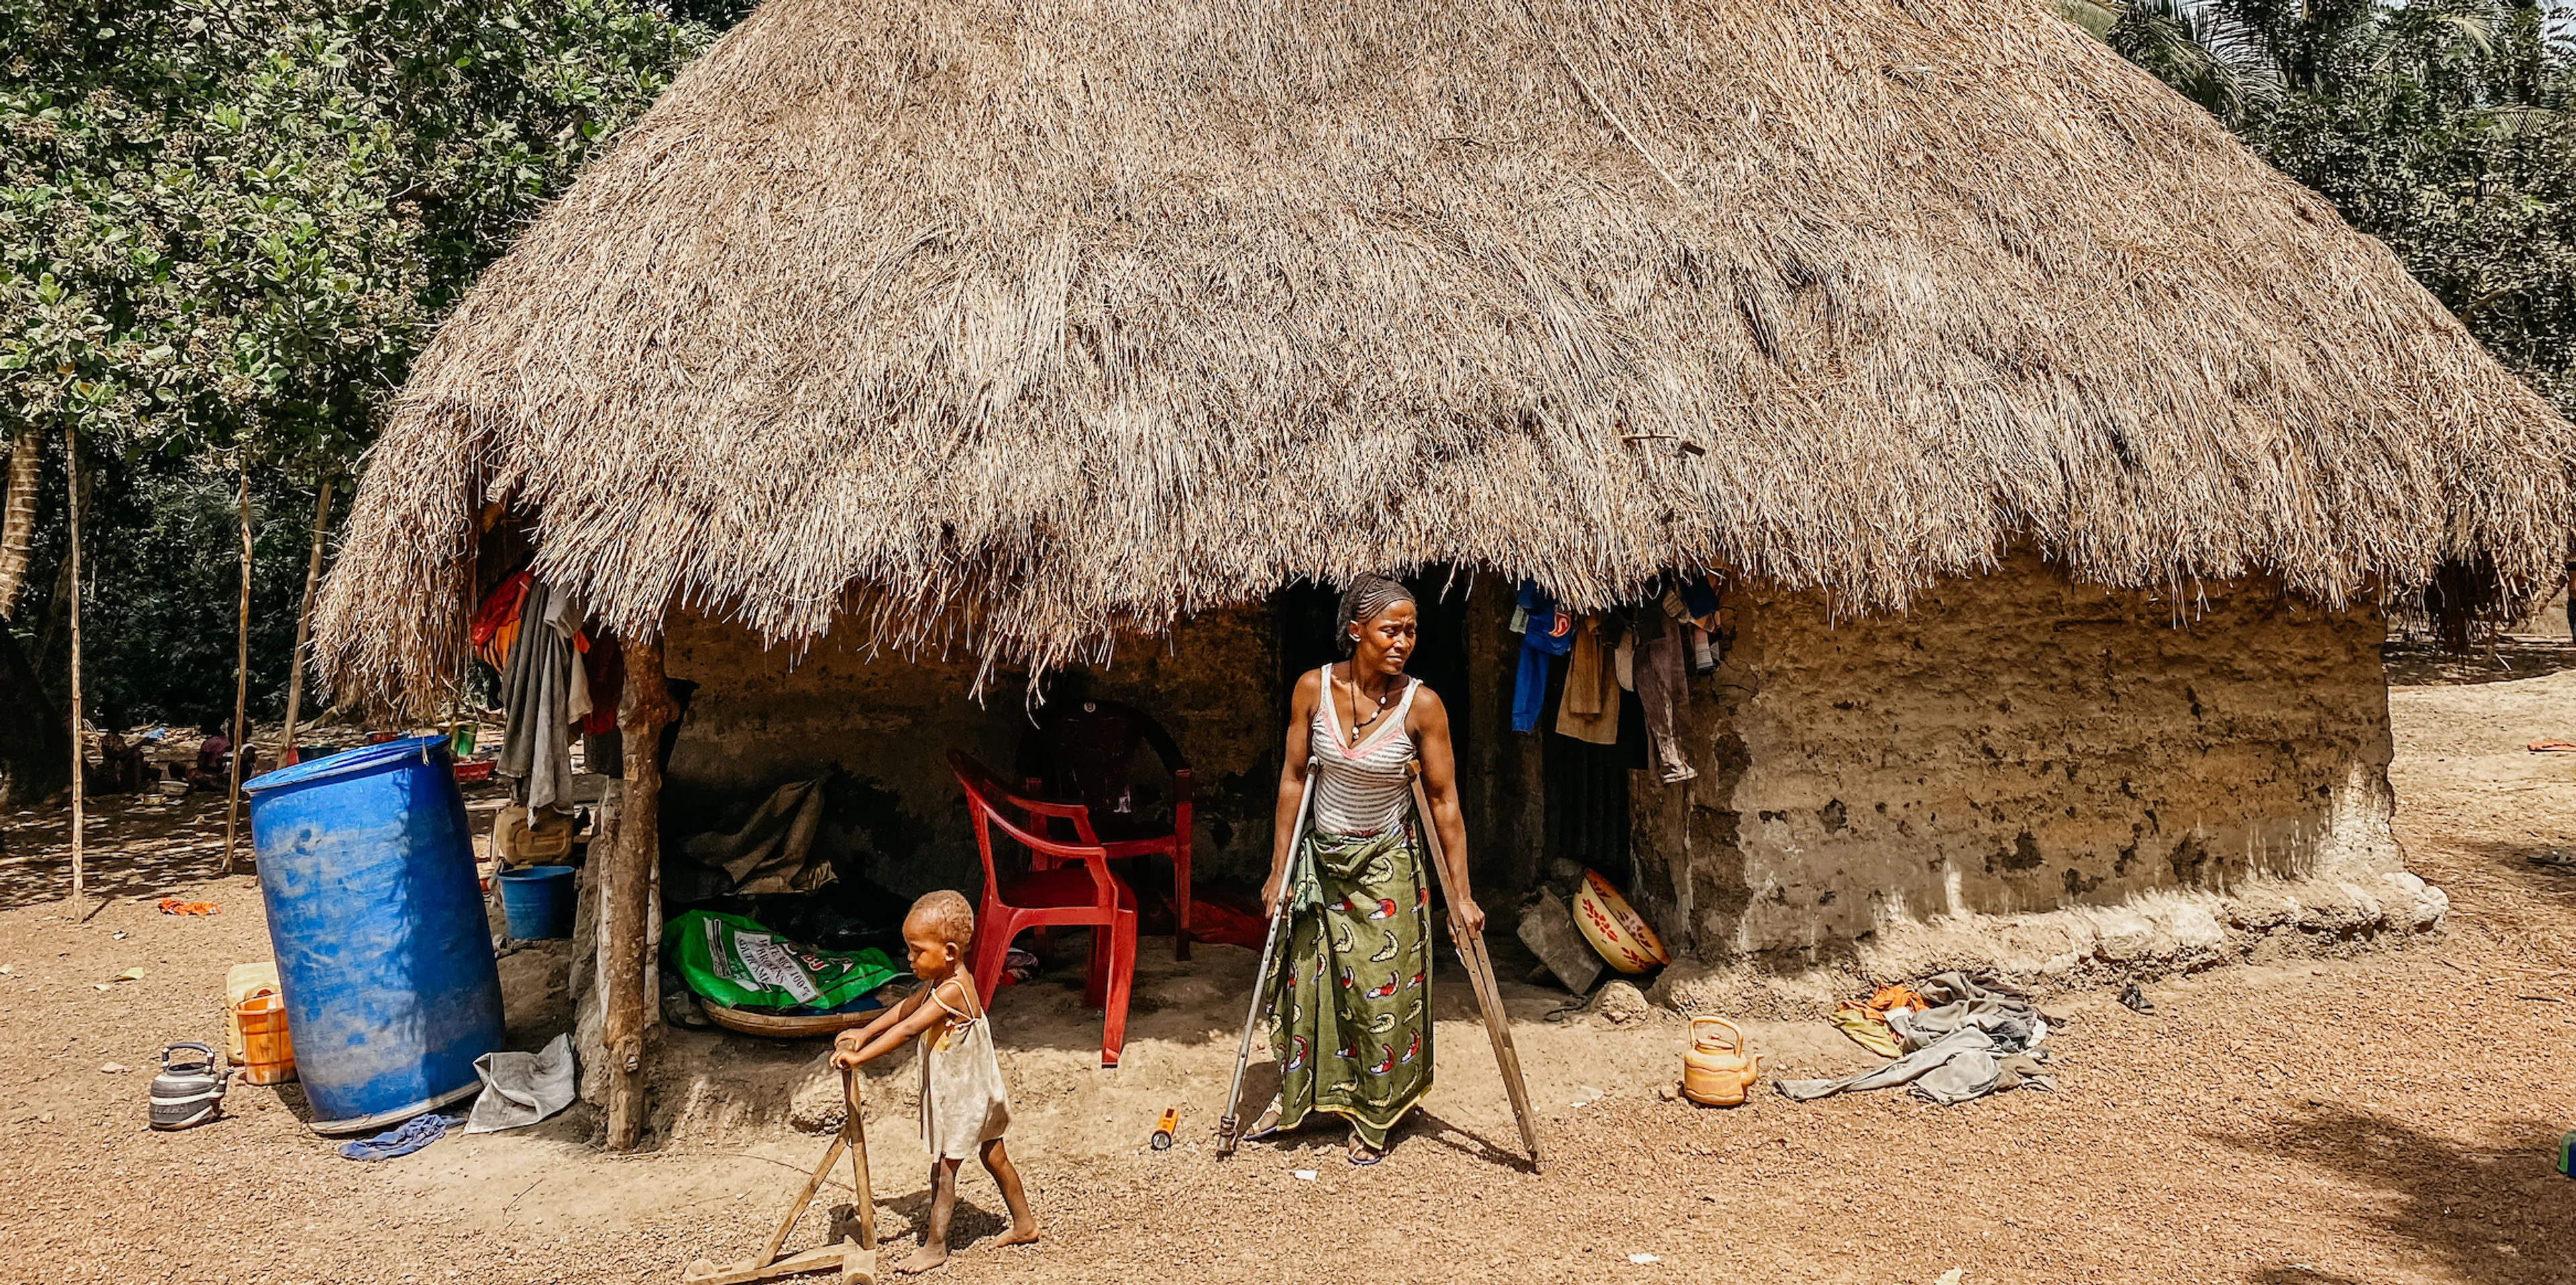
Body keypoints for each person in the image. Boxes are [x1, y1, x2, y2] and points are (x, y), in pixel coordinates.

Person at [1248, 573, 1484, 1166]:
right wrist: (1279, 870)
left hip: (1387, 866)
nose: (1403, 640)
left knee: (1379, 996)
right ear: (1355, 630)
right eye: (1390, 629)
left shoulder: (1422, 706)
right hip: (1319, 860)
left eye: (1411, 630)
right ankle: (1305, 1096)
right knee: (1311, 985)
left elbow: (1445, 802)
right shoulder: (1312, 688)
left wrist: (1461, 895)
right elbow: (1294, 778)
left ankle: (1377, 1113)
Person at [830, 890, 1039, 1273]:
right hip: (974, 1090)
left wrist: (861, 1056)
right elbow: (903, 1010)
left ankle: (935, 1245)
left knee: (943, 1169)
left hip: (967, 1096)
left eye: (916, 951)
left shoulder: (954, 990)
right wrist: (864, 1031)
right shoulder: (939, 980)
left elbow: (910, 1028)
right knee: (994, 1156)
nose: (909, 958)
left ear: (948, 951)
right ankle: (1025, 1224)